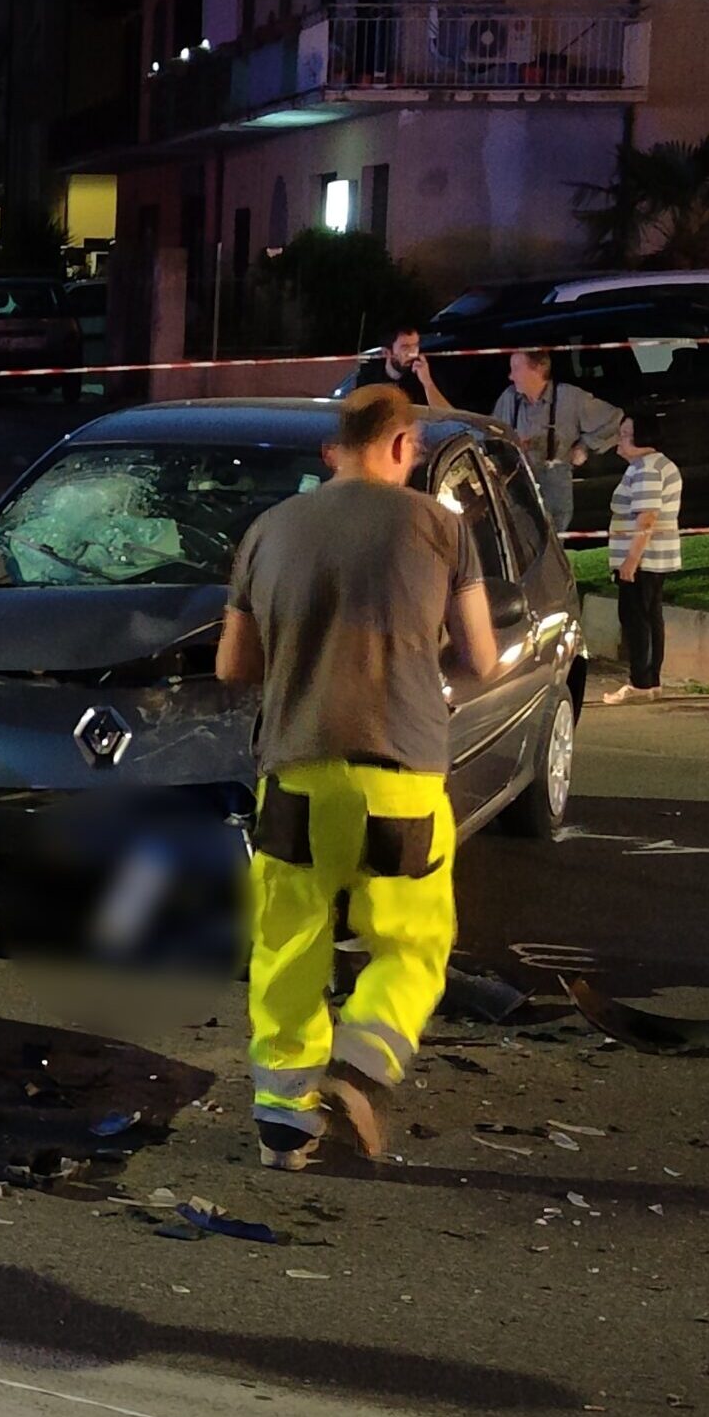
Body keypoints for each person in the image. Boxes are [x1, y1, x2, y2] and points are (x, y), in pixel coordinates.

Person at [217, 386, 506, 1170]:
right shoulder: (441, 529)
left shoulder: (268, 530)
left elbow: (233, 665)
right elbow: (480, 658)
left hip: (298, 774)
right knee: (413, 943)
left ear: (330, 453)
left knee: (289, 944)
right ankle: (361, 1067)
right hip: (403, 775)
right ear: (404, 445)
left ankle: (283, 1124)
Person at [489, 349, 620, 532]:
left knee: (551, 539)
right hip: (518, 483)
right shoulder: (509, 398)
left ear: (539, 369)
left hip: (554, 485)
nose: (511, 376)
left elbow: (614, 419)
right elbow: (491, 433)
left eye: (517, 369)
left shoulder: (571, 398)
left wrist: (584, 446)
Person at [605, 413, 683, 704]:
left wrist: (630, 560)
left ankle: (639, 683)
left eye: (626, 433)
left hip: (643, 558)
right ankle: (651, 681)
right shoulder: (660, 465)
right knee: (650, 617)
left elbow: (647, 517)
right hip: (654, 558)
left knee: (636, 619)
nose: (620, 440)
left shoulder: (646, 469)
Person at [351, 324, 445, 409]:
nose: (413, 353)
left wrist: (428, 383)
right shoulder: (369, 376)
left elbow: (448, 419)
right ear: (386, 352)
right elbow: (355, 409)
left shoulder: (424, 374)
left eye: (416, 346)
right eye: (405, 348)